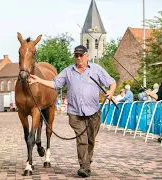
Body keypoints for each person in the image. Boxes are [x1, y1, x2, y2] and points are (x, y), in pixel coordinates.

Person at [28, 45, 116, 177]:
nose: (79, 58)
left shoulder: (96, 69)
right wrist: (39, 80)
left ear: (87, 56)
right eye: (76, 55)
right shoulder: (68, 71)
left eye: (81, 55)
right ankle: (84, 167)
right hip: (75, 113)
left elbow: (112, 82)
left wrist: (111, 92)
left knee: (91, 140)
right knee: (82, 139)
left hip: (94, 112)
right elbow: (55, 84)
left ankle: (87, 161)